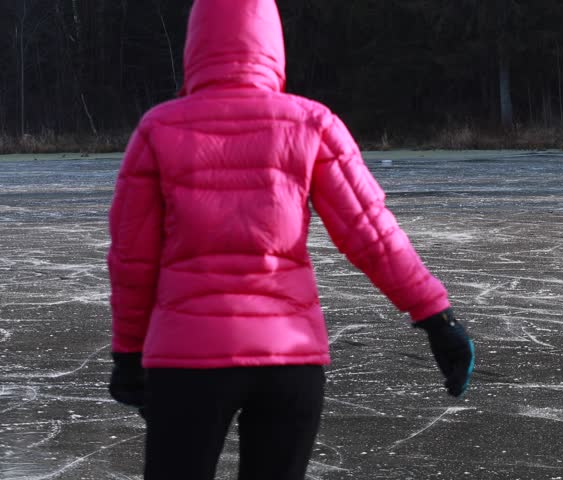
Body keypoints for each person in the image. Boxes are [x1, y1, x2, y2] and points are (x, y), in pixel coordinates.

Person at [105, 1, 474, 478]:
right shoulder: (311, 123)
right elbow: (373, 233)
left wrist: (128, 353)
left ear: (195, 45)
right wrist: (436, 317)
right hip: (287, 362)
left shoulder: (160, 128)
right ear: (272, 42)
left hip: (187, 364)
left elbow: (132, 258)